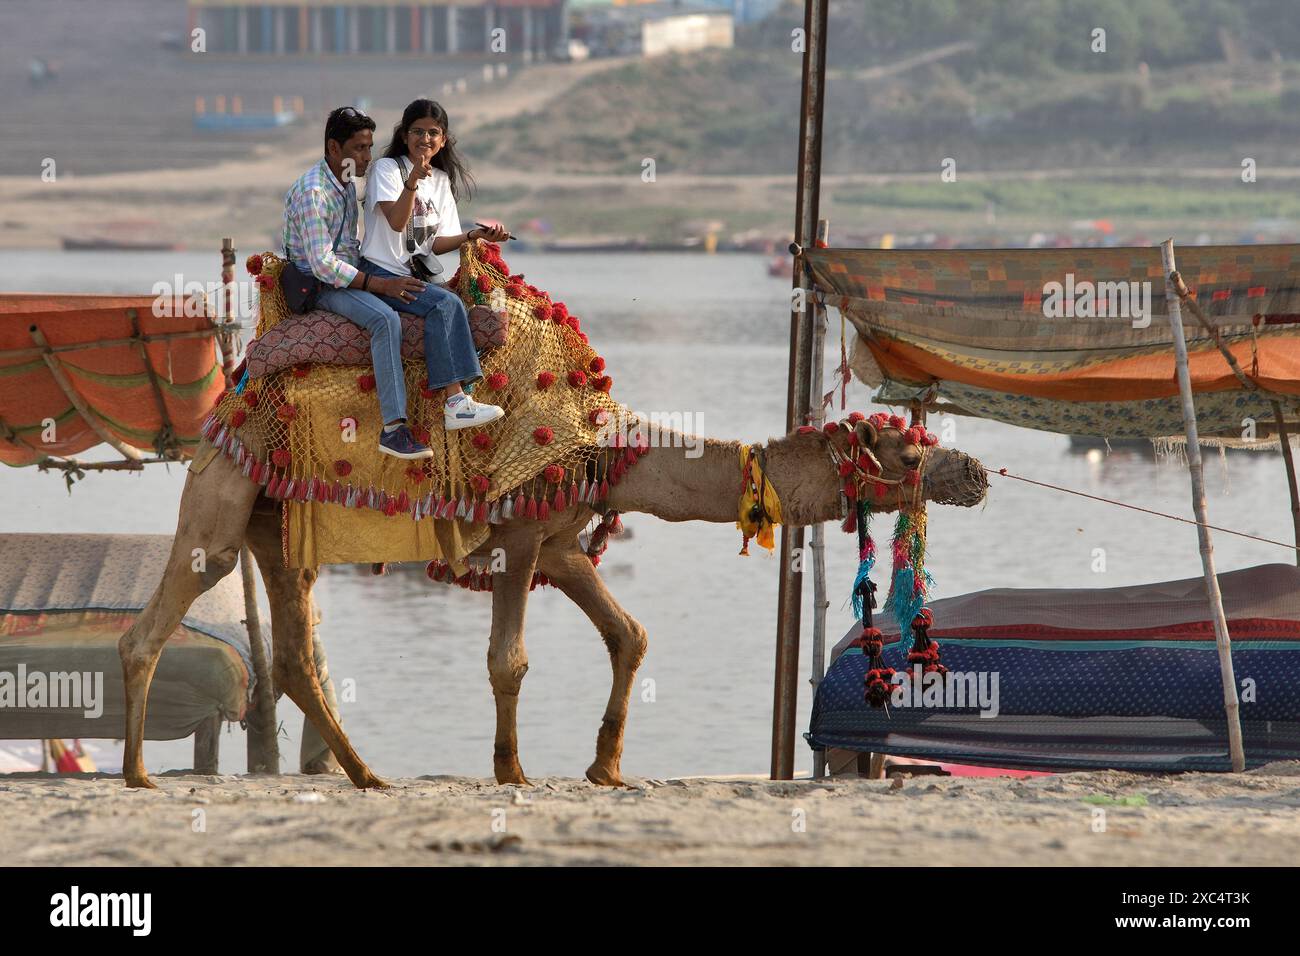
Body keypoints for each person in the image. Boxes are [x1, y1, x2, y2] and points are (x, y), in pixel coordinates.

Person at [283, 106, 432, 460]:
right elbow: (322, 264)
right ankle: (394, 429)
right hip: (320, 285)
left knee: (425, 294)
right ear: (335, 149)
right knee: (384, 319)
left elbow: (351, 246)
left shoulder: (346, 183)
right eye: (359, 148)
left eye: (369, 146)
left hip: (349, 272)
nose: (367, 157)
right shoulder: (313, 193)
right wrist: (379, 285)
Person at [359, 98, 508, 431]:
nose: (424, 139)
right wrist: (412, 179)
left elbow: (434, 244)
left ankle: (466, 395)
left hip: (413, 273)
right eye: (417, 131)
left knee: (459, 304)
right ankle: (455, 403)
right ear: (404, 134)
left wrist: (475, 235)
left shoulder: (440, 181)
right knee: (445, 303)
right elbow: (397, 223)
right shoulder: (387, 170)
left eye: (433, 133)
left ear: (443, 140)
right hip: (380, 272)